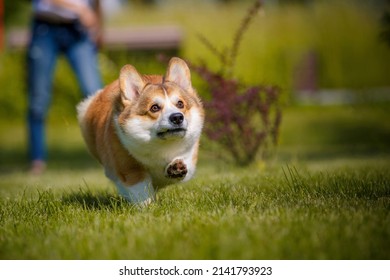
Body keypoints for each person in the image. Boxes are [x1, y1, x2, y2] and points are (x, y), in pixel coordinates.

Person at [27, 0, 103, 175]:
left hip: (78, 31)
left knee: (96, 94)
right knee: (38, 99)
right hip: (46, 28)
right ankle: (37, 160)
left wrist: (98, 27)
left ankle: (106, 154)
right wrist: (78, 8)